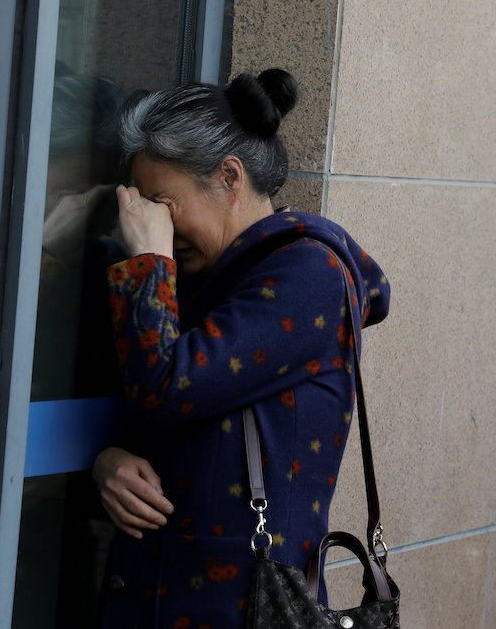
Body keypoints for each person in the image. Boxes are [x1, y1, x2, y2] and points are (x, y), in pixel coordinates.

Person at [91, 68, 390, 628]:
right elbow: (153, 410)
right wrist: (108, 460)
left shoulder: (308, 275)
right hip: (155, 597)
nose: (151, 223)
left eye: (162, 202)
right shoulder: (198, 276)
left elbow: (166, 388)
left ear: (229, 177)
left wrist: (149, 262)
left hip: (235, 609)